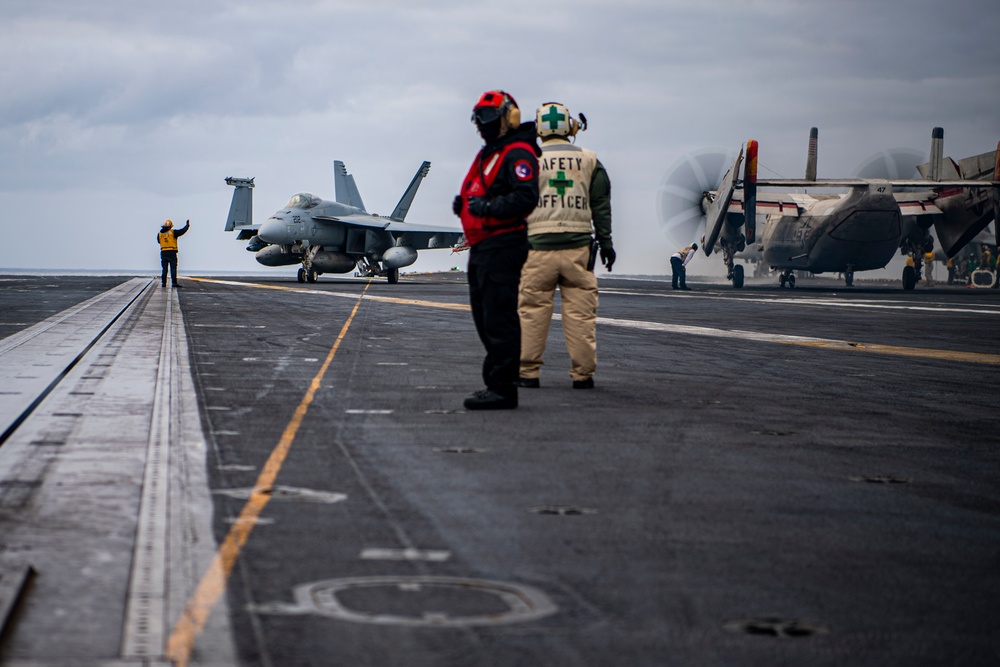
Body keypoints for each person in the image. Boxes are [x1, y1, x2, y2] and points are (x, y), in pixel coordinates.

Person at [517, 101, 614, 390]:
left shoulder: (527, 160)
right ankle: (583, 376)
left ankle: (528, 374)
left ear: (539, 129)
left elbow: (515, 204)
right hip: (579, 252)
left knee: (532, 311)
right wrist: (607, 244)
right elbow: (601, 206)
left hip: (536, 251)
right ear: (571, 126)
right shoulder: (589, 159)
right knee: (581, 315)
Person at [453, 90, 540, 410]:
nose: (481, 125)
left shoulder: (518, 154)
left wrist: (486, 207)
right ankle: (496, 382)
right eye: (478, 119)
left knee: (498, 317)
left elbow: (525, 197)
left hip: (503, 244)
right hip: (482, 245)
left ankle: (503, 388)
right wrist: (464, 205)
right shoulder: (492, 152)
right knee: (484, 317)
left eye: (487, 118)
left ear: (508, 118)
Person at [157, 219, 190, 287]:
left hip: (163, 252)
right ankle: (174, 283)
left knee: (164, 269)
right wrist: (187, 225)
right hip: (172, 252)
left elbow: (159, 241)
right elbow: (182, 231)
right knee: (173, 268)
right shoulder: (173, 232)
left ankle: (163, 283)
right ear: (171, 226)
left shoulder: (159, 234)